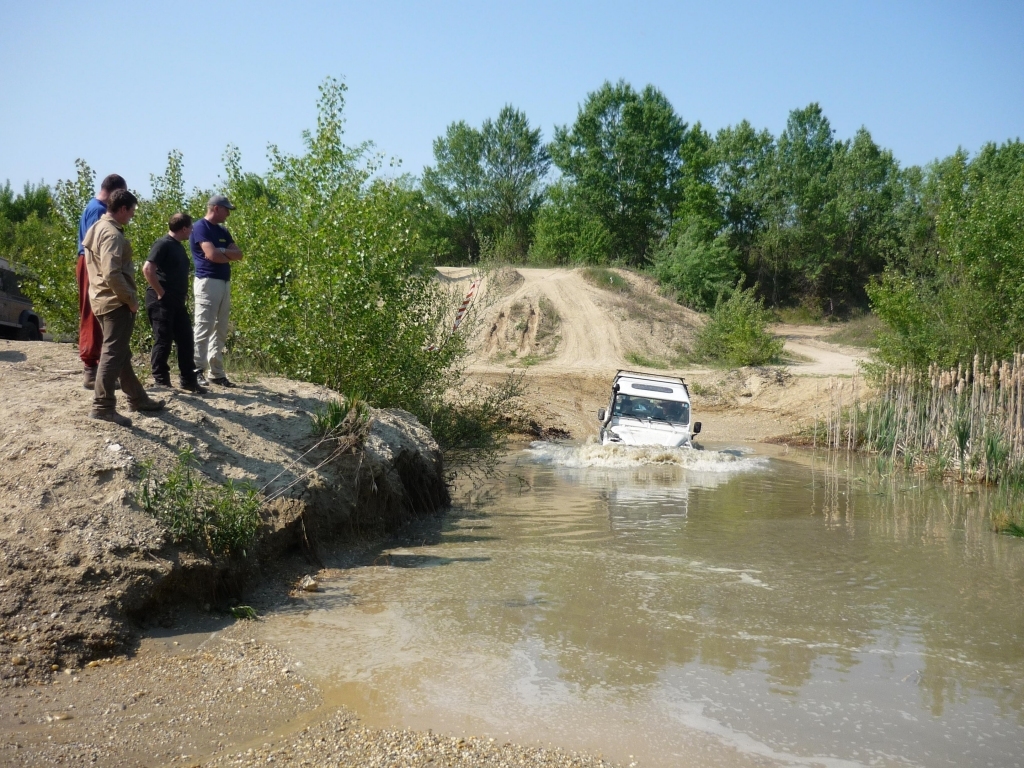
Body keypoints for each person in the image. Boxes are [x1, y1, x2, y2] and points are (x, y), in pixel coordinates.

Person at [81, 189, 165, 427]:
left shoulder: (96, 227)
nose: (132, 216)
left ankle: (138, 399)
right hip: (114, 302)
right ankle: (103, 406)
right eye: (132, 211)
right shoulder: (112, 234)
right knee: (112, 353)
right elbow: (111, 273)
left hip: (100, 299)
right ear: (123, 208)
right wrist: (130, 298)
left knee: (120, 354)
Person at [143, 213, 206, 393]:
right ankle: (161, 380)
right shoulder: (163, 244)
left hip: (176, 301)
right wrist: (160, 292)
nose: (192, 231)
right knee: (163, 339)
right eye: (190, 227)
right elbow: (148, 269)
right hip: (161, 300)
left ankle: (188, 380)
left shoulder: (177, 246)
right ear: (184, 228)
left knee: (186, 338)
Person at [77, 174, 127, 389]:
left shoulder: (92, 206)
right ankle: (91, 368)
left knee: (94, 310)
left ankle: (95, 366)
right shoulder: (99, 211)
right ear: (114, 191)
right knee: (93, 311)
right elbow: (99, 246)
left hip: (90, 263)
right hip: (93, 264)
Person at [190, 194, 244, 387]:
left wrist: (222, 252)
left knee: (220, 328)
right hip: (207, 281)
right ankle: (196, 370)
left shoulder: (222, 230)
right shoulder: (200, 227)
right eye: (226, 209)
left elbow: (239, 254)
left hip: (223, 282)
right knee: (203, 327)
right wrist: (221, 252)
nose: (228, 214)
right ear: (216, 208)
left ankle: (216, 372)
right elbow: (211, 255)